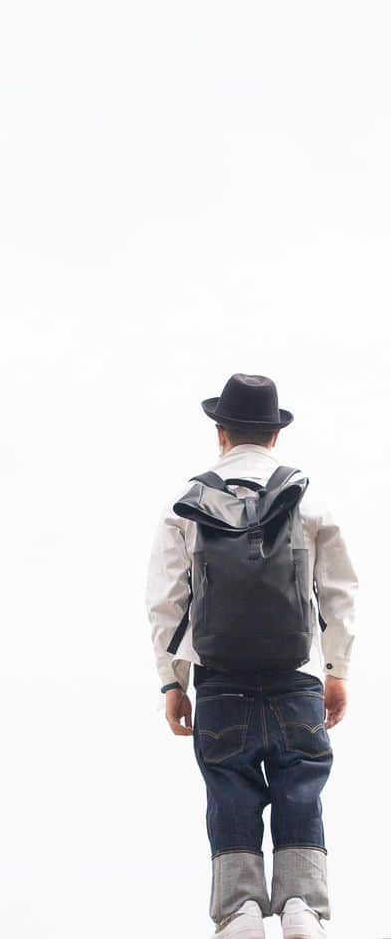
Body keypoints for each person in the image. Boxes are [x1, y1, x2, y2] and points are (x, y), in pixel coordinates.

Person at [146, 374, 358, 938]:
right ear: (274, 434)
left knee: (230, 791)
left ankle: (240, 911)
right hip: (293, 678)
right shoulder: (308, 497)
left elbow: (167, 603)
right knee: (301, 784)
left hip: (219, 683)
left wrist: (174, 683)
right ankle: (301, 907)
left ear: (220, 431)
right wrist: (336, 670)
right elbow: (339, 592)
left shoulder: (187, 505)